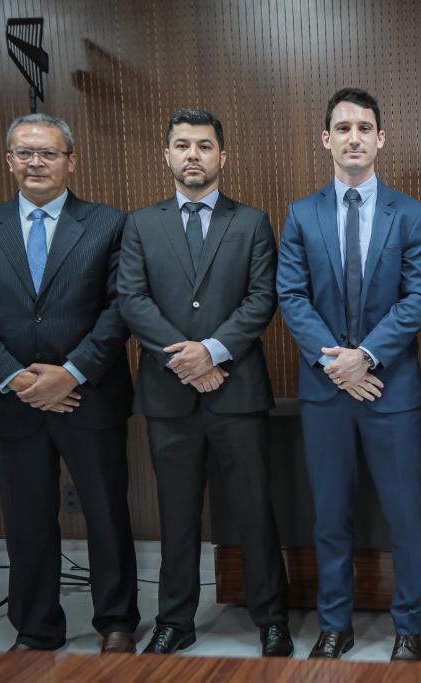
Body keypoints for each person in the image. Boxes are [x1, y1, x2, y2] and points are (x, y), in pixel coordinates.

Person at [0, 113, 139, 653]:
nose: (37, 162)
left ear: (70, 161)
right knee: (26, 520)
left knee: (106, 513)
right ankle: (35, 628)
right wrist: (14, 376)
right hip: (11, 401)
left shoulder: (108, 223)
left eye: (48, 153)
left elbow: (120, 307)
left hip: (89, 396)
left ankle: (117, 621)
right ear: (10, 160)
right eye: (25, 153)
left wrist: (71, 372)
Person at [117, 109, 290, 657]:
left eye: (205, 145)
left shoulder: (252, 222)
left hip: (236, 390)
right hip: (169, 395)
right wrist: (185, 358)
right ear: (167, 155)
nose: (193, 154)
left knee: (254, 509)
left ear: (222, 156)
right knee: (176, 512)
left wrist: (212, 351)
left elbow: (262, 298)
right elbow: (132, 300)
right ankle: (175, 620)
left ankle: (271, 618)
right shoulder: (140, 224)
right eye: (183, 145)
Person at [276, 88, 421, 662]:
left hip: (389, 389)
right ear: (327, 139)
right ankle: (334, 626)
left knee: (405, 515)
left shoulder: (410, 214)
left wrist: (364, 356)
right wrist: (335, 364)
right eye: (343, 128)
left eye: (364, 128)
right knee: (330, 517)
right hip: (326, 392)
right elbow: (291, 296)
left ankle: (408, 629)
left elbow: (419, 298)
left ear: (380, 139)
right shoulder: (302, 213)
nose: (354, 138)